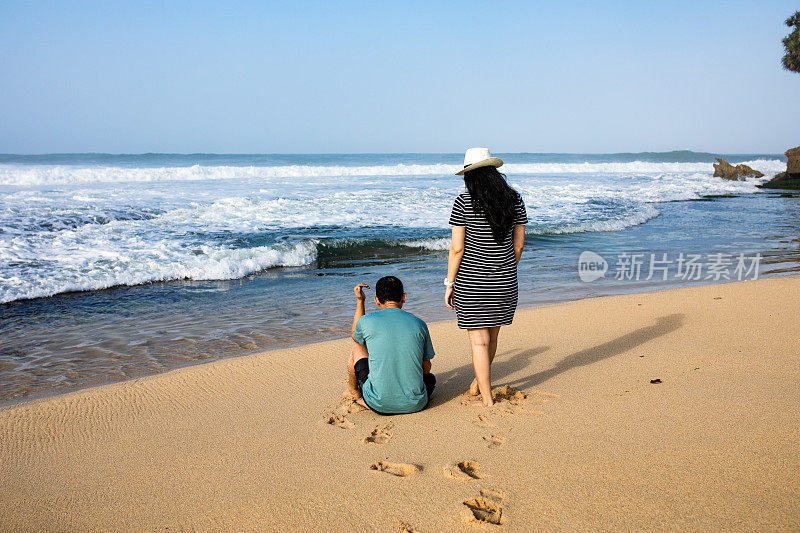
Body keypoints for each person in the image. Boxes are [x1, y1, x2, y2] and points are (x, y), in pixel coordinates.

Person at [445, 148, 528, 407]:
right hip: (505, 281)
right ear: (493, 172)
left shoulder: (463, 202)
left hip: (471, 282)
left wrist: (449, 284)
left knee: (478, 342)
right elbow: (518, 246)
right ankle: (477, 385)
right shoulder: (514, 200)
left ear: (470, 176)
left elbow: (457, 248)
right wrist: (504, 269)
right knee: (492, 338)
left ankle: (488, 399)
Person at [346, 275, 436, 414]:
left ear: (376, 300)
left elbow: (355, 336)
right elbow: (426, 369)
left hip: (379, 404)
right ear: (404, 297)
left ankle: (353, 391)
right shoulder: (419, 324)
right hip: (416, 405)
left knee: (358, 346)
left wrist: (360, 300)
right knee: (430, 379)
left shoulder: (366, 321)